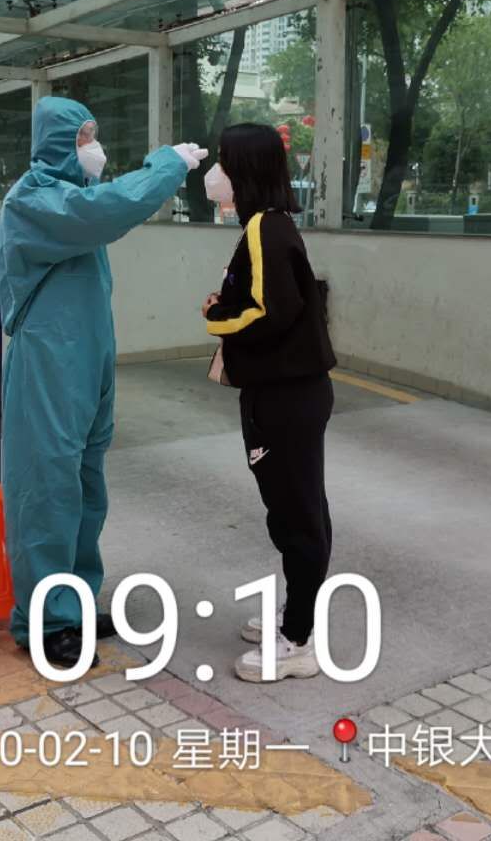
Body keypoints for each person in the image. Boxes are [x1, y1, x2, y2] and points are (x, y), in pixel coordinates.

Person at [0, 96, 206, 668]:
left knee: (87, 488)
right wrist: (165, 165)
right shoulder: (35, 200)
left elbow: (98, 211)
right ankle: (45, 622)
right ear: (57, 142)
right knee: (47, 490)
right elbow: (110, 210)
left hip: (86, 357)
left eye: (93, 134)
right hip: (48, 360)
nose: (93, 148)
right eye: (82, 138)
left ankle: (76, 603)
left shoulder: (72, 197)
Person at [201, 123, 337, 682]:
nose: (214, 174)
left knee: (297, 516)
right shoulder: (267, 224)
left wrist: (217, 316)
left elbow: (269, 313)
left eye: (223, 162)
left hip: (286, 396)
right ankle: (296, 615)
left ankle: (298, 639)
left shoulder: (264, 228)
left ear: (245, 169)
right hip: (286, 392)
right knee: (296, 510)